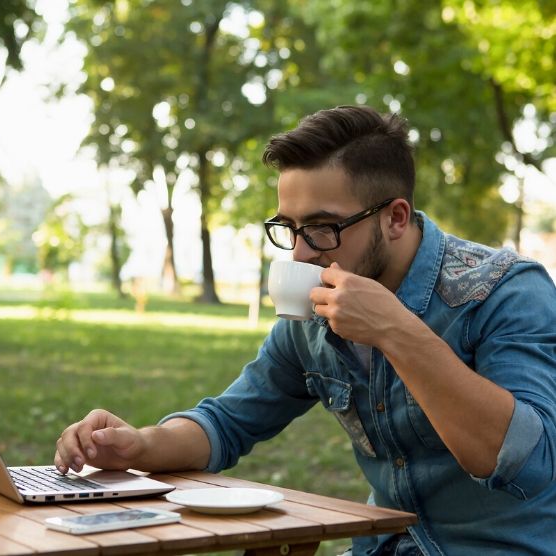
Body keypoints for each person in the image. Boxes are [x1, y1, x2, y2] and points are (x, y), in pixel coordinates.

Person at [55, 106, 556, 555]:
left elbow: (526, 461)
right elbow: (228, 423)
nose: (299, 252)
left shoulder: (504, 292)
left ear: (396, 218)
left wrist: (396, 331)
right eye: (288, 228)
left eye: (322, 227)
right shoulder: (315, 312)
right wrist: (141, 445)